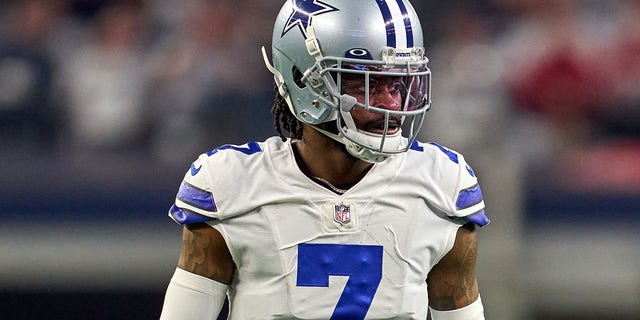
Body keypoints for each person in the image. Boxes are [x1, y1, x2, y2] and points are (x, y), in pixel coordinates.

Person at [159, 0, 489, 319]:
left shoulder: (442, 185)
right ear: (303, 80)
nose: (391, 104)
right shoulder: (231, 184)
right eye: (366, 84)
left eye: (398, 83)